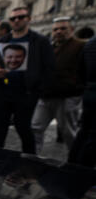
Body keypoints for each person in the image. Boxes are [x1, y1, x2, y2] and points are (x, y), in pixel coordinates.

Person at [0, 6, 55, 153]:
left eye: (21, 17)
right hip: (3, 92)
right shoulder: (2, 41)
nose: (16, 21)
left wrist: (38, 90)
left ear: (29, 19)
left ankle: (29, 165)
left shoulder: (40, 41)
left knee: (25, 130)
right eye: (13, 18)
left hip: (26, 93)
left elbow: (49, 68)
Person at [31, 17, 85, 154]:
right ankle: (31, 160)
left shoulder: (80, 46)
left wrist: (77, 90)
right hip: (46, 96)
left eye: (63, 28)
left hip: (67, 97)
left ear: (71, 30)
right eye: (55, 29)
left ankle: (75, 163)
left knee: (68, 132)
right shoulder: (50, 47)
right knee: (35, 127)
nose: (59, 31)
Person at [69, 35, 96, 167]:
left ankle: (72, 165)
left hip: (90, 91)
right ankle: (84, 170)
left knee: (84, 131)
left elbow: (80, 71)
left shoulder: (90, 43)